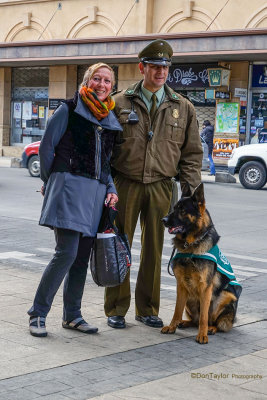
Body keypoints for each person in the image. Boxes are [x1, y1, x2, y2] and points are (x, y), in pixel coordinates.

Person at [104, 39, 203, 329]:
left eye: (165, 67)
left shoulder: (183, 107)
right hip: (124, 183)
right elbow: (106, 149)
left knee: (154, 248)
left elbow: (192, 154)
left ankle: (147, 307)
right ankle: (116, 308)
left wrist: (193, 197)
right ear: (142, 68)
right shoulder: (119, 101)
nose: (160, 72)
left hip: (162, 185)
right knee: (118, 244)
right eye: (155, 67)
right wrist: (105, 186)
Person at [28, 63, 122, 337]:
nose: (102, 85)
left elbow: (106, 163)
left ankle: (72, 316)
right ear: (87, 80)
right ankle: (38, 313)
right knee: (65, 254)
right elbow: (47, 149)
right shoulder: (67, 109)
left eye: (107, 80)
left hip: (94, 198)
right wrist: (51, 181)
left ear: (111, 86)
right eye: (97, 79)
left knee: (81, 258)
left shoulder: (109, 119)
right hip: (69, 191)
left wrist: (111, 188)